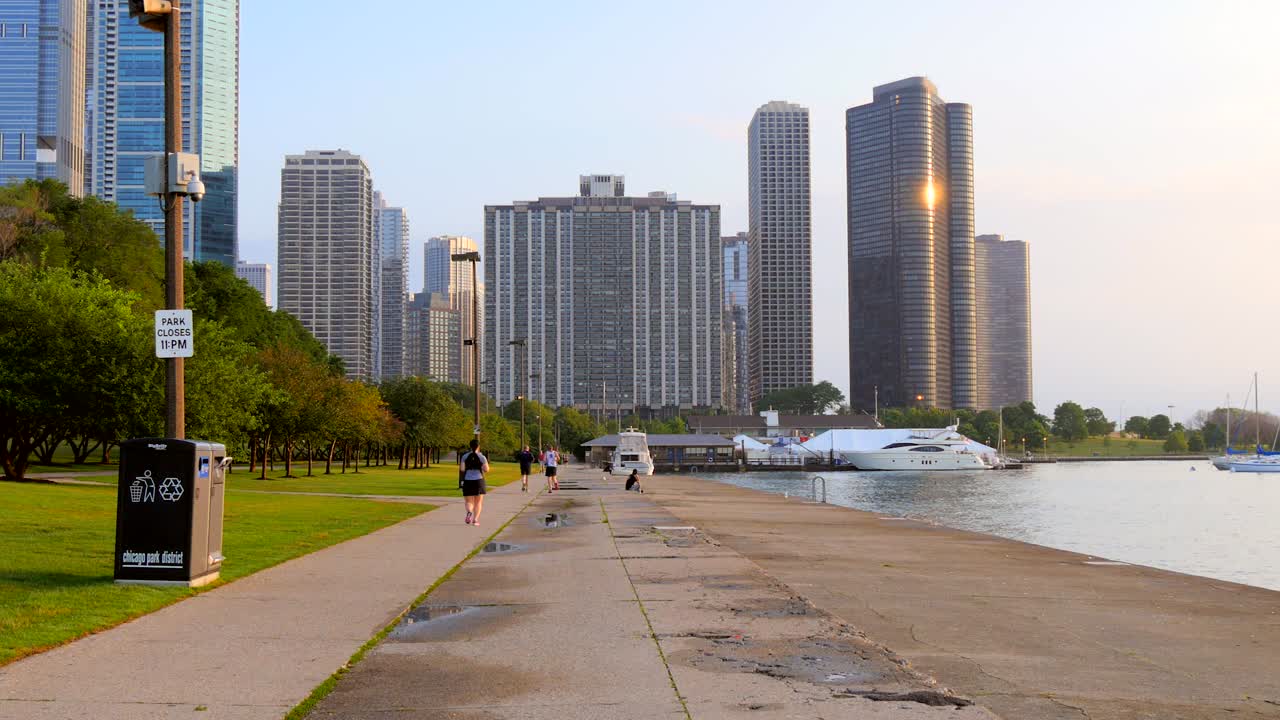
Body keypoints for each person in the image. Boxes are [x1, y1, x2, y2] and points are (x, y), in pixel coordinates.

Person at [458, 438, 490, 526]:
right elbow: (486, 469)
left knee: (469, 501)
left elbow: (462, 469)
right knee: (478, 502)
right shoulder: (482, 457)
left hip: (468, 481)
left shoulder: (465, 456)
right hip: (479, 480)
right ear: (478, 446)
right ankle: (475, 520)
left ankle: (469, 512)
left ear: (470, 446)